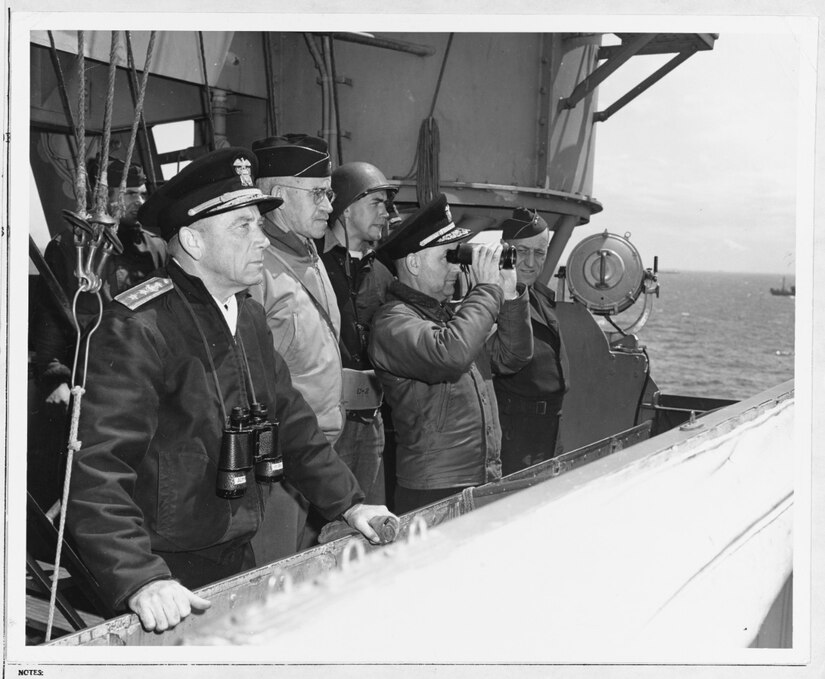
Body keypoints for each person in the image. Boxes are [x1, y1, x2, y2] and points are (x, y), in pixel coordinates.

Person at [66, 147, 394, 632]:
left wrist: (350, 502)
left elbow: (291, 421)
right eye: (243, 226)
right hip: (166, 573)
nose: (262, 238)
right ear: (194, 242)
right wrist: (139, 578)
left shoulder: (248, 315)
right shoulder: (138, 327)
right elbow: (96, 465)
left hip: (234, 551)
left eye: (259, 224)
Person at [368, 194, 533, 514]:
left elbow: (513, 356)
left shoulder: (449, 319)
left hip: (481, 479)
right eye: (448, 257)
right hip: (434, 492)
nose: (457, 267)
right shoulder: (392, 323)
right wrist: (487, 290)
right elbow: (451, 355)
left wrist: (510, 293)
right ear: (413, 263)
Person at [29, 157, 166, 506]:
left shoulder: (156, 248)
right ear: (105, 200)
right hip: (91, 386)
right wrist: (53, 375)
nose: (140, 201)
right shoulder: (69, 248)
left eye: (142, 192)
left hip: (147, 383)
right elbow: (52, 313)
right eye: (131, 194)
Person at [247, 133, 344, 559]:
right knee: (272, 580)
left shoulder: (309, 254)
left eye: (330, 194)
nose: (329, 206)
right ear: (279, 195)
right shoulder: (256, 268)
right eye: (319, 194)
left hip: (319, 453)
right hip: (280, 463)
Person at [319, 161, 397, 505]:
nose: (386, 213)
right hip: (326, 428)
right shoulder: (313, 267)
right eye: (376, 203)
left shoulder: (382, 274)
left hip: (370, 422)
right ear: (347, 209)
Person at [494, 208, 569, 474]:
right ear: (505, 250)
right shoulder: (493, 297)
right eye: (522, 251)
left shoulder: (538, 294)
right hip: (515, 432)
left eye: (539, 253)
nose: (530, 262)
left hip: (549, 428)